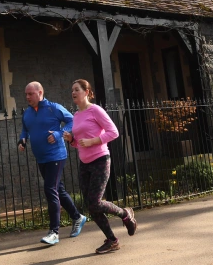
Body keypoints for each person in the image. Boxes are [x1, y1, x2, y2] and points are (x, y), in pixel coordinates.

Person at [63, 79, 137, 254]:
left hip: (101, 160)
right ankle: (112, 240)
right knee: (91, 205)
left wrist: (93, 141)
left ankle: (125, 214)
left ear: (87, 92)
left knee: (95, 201)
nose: (73, 93)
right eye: (72, 90)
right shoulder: (76, 115)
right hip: (84, 163)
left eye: (77, 89)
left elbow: (114, 132)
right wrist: (72, 140)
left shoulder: (95, 110)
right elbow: (80, 143)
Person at [18, 81, 86, 245]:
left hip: (56, 155)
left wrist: (58, 133)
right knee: (58, 190)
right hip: (41, 157)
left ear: (40, 92)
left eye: (30, 94)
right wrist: (22, 140)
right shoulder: (27, 113)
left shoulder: (53, 108)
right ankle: (78, 217)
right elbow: (25, 129)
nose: (27, 97)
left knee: (50, 189)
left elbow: (72, 121)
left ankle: (54, 232)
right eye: (26, 94)